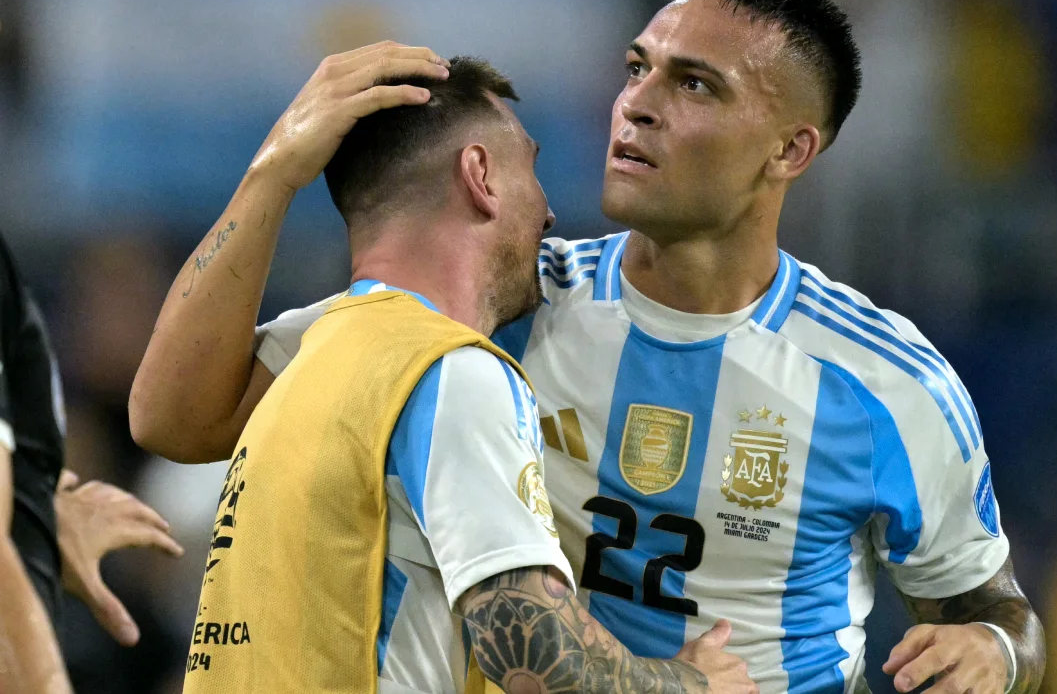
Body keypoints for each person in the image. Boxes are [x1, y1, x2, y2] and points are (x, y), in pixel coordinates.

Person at [132, 0, 1045, 694]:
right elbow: (182, 419)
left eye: (694, 84)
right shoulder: (508, 306)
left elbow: (994, 609)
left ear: (791, 149)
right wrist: (272, 174)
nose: (636, 104)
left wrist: (997, 655)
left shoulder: (886, 380)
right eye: (637, 67)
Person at [168, 50, 753, 694]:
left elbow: (166, 412)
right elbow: (536, 659)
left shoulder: (321, 349)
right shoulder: (450, 372)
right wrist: (695, 685)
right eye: (531, 168)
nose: (550, 211)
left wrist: (273, 172)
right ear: (480, 175)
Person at [0, 231, 183, 693]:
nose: (119, 318)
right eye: (105, 301)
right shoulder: (57, 426)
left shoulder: (196, 443)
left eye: (137, 301)